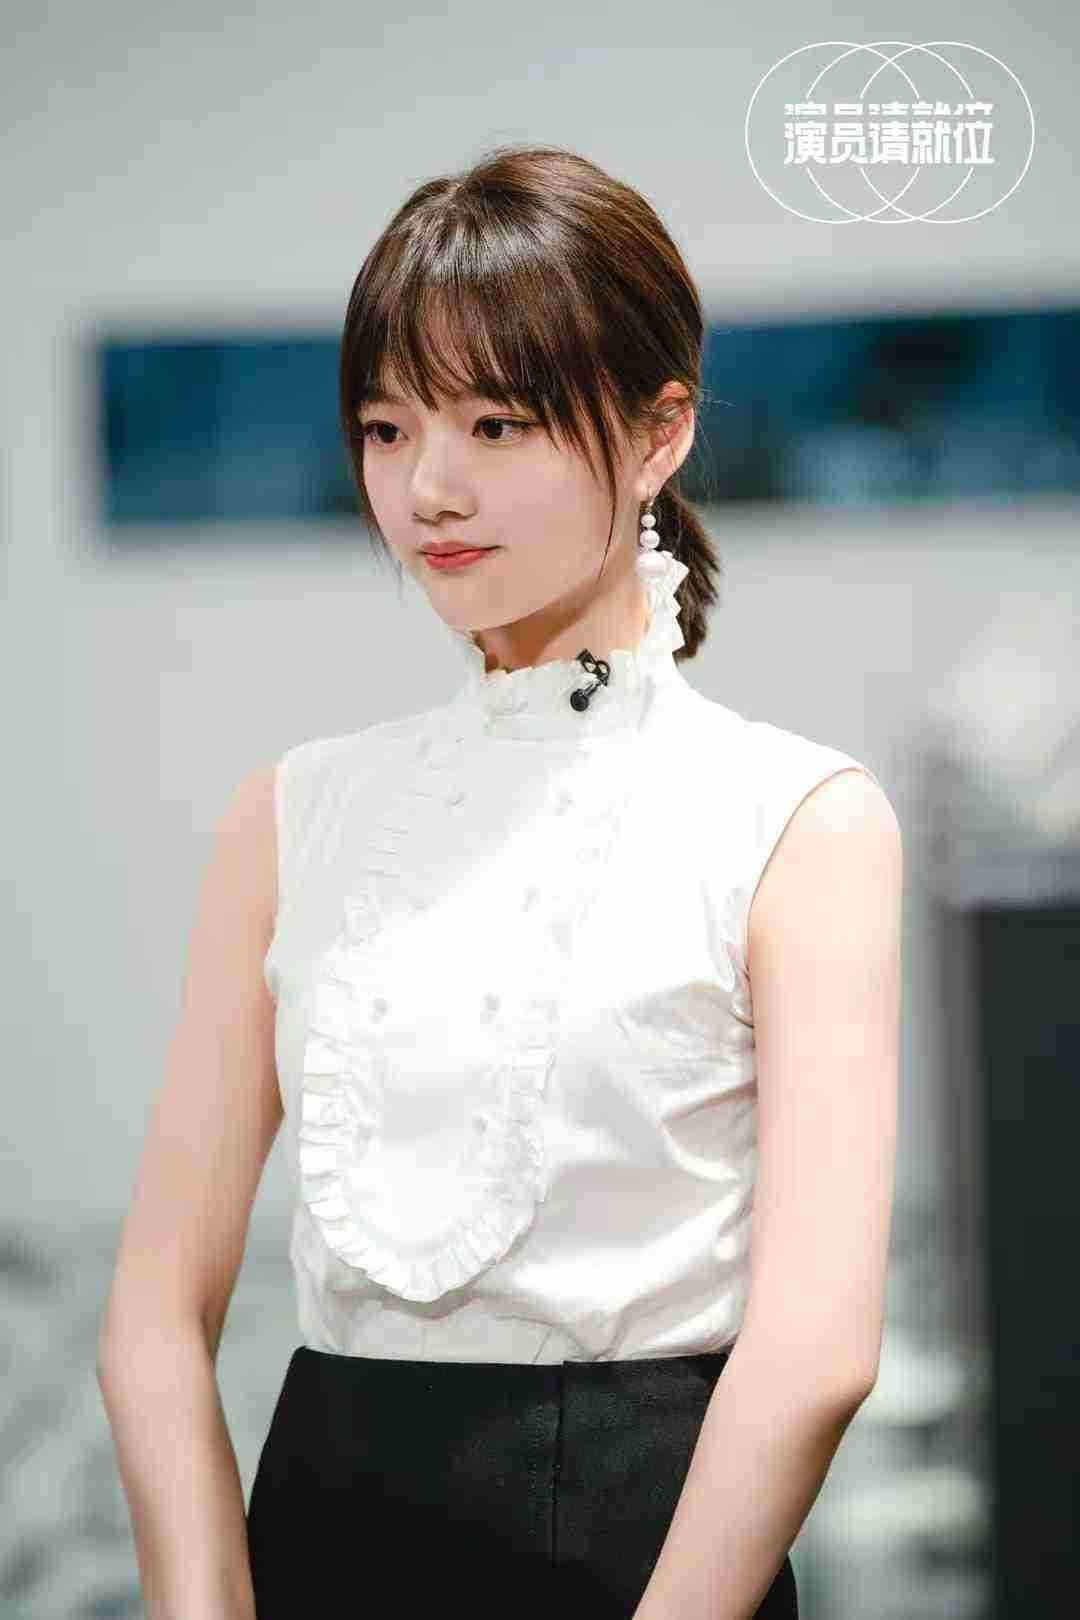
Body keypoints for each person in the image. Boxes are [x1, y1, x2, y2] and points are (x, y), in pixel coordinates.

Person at [97, 144, 902, 1620]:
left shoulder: (795, 817)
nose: (430, 486)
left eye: (497, 422)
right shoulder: (292, 816)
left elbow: (818, 1351)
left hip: (651, 1557)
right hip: (322, 1533)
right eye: (387, 427)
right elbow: (154, 1307)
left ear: (659, 434)